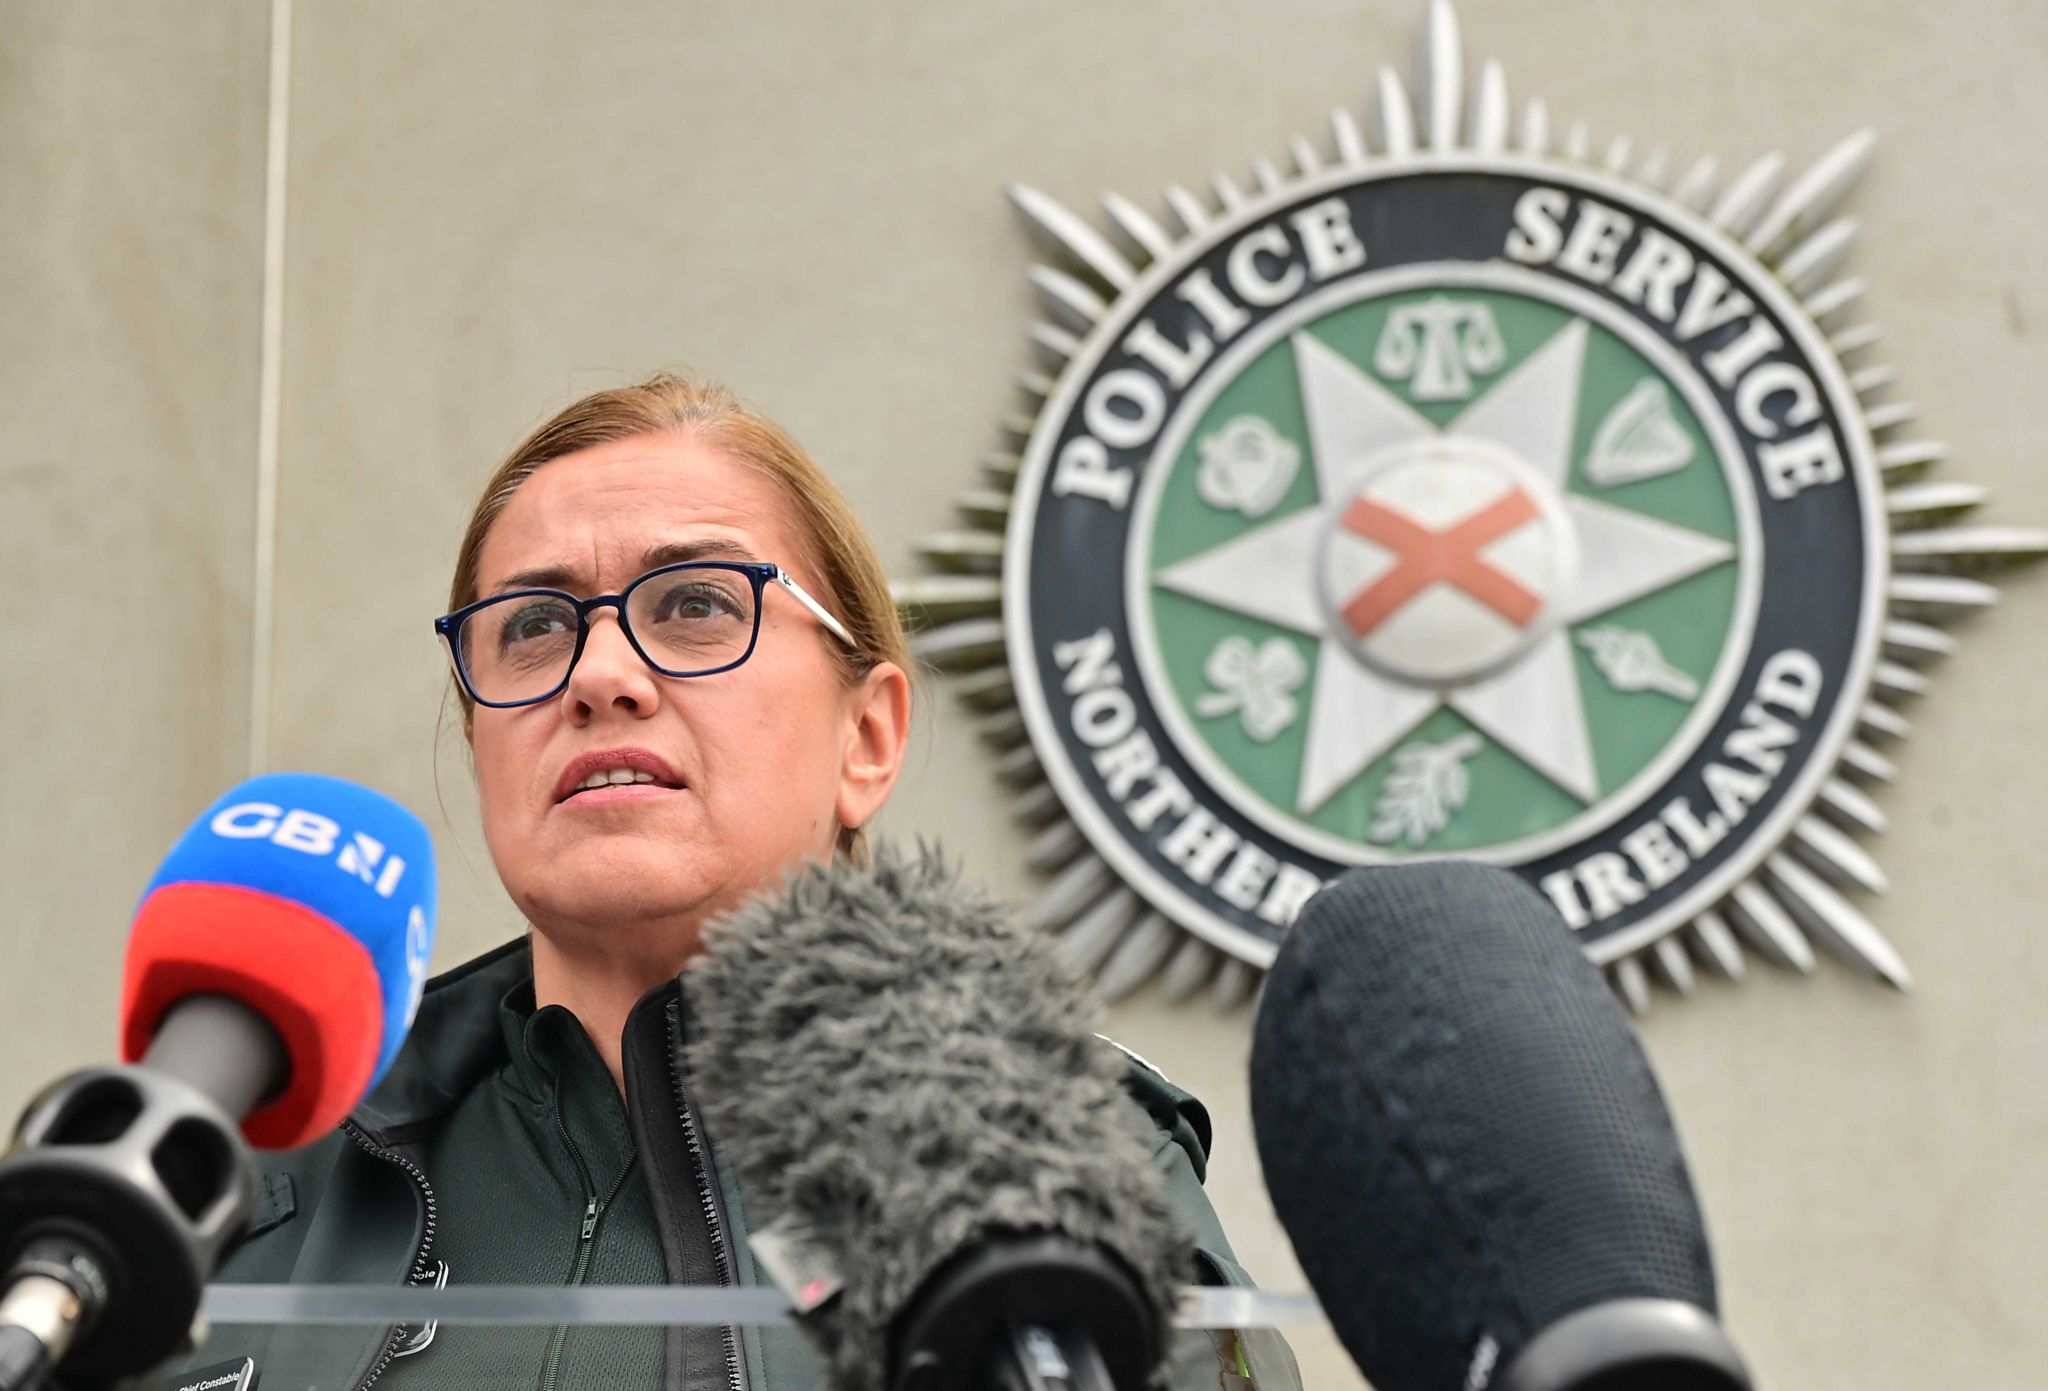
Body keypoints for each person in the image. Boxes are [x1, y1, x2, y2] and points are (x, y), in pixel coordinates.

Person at [183, 375, 1301, 1390]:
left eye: (695, 603)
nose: (601, 674)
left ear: (867, 737)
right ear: (480, 741)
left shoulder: (1062, 1167)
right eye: (531, 625)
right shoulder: (237, 1175)